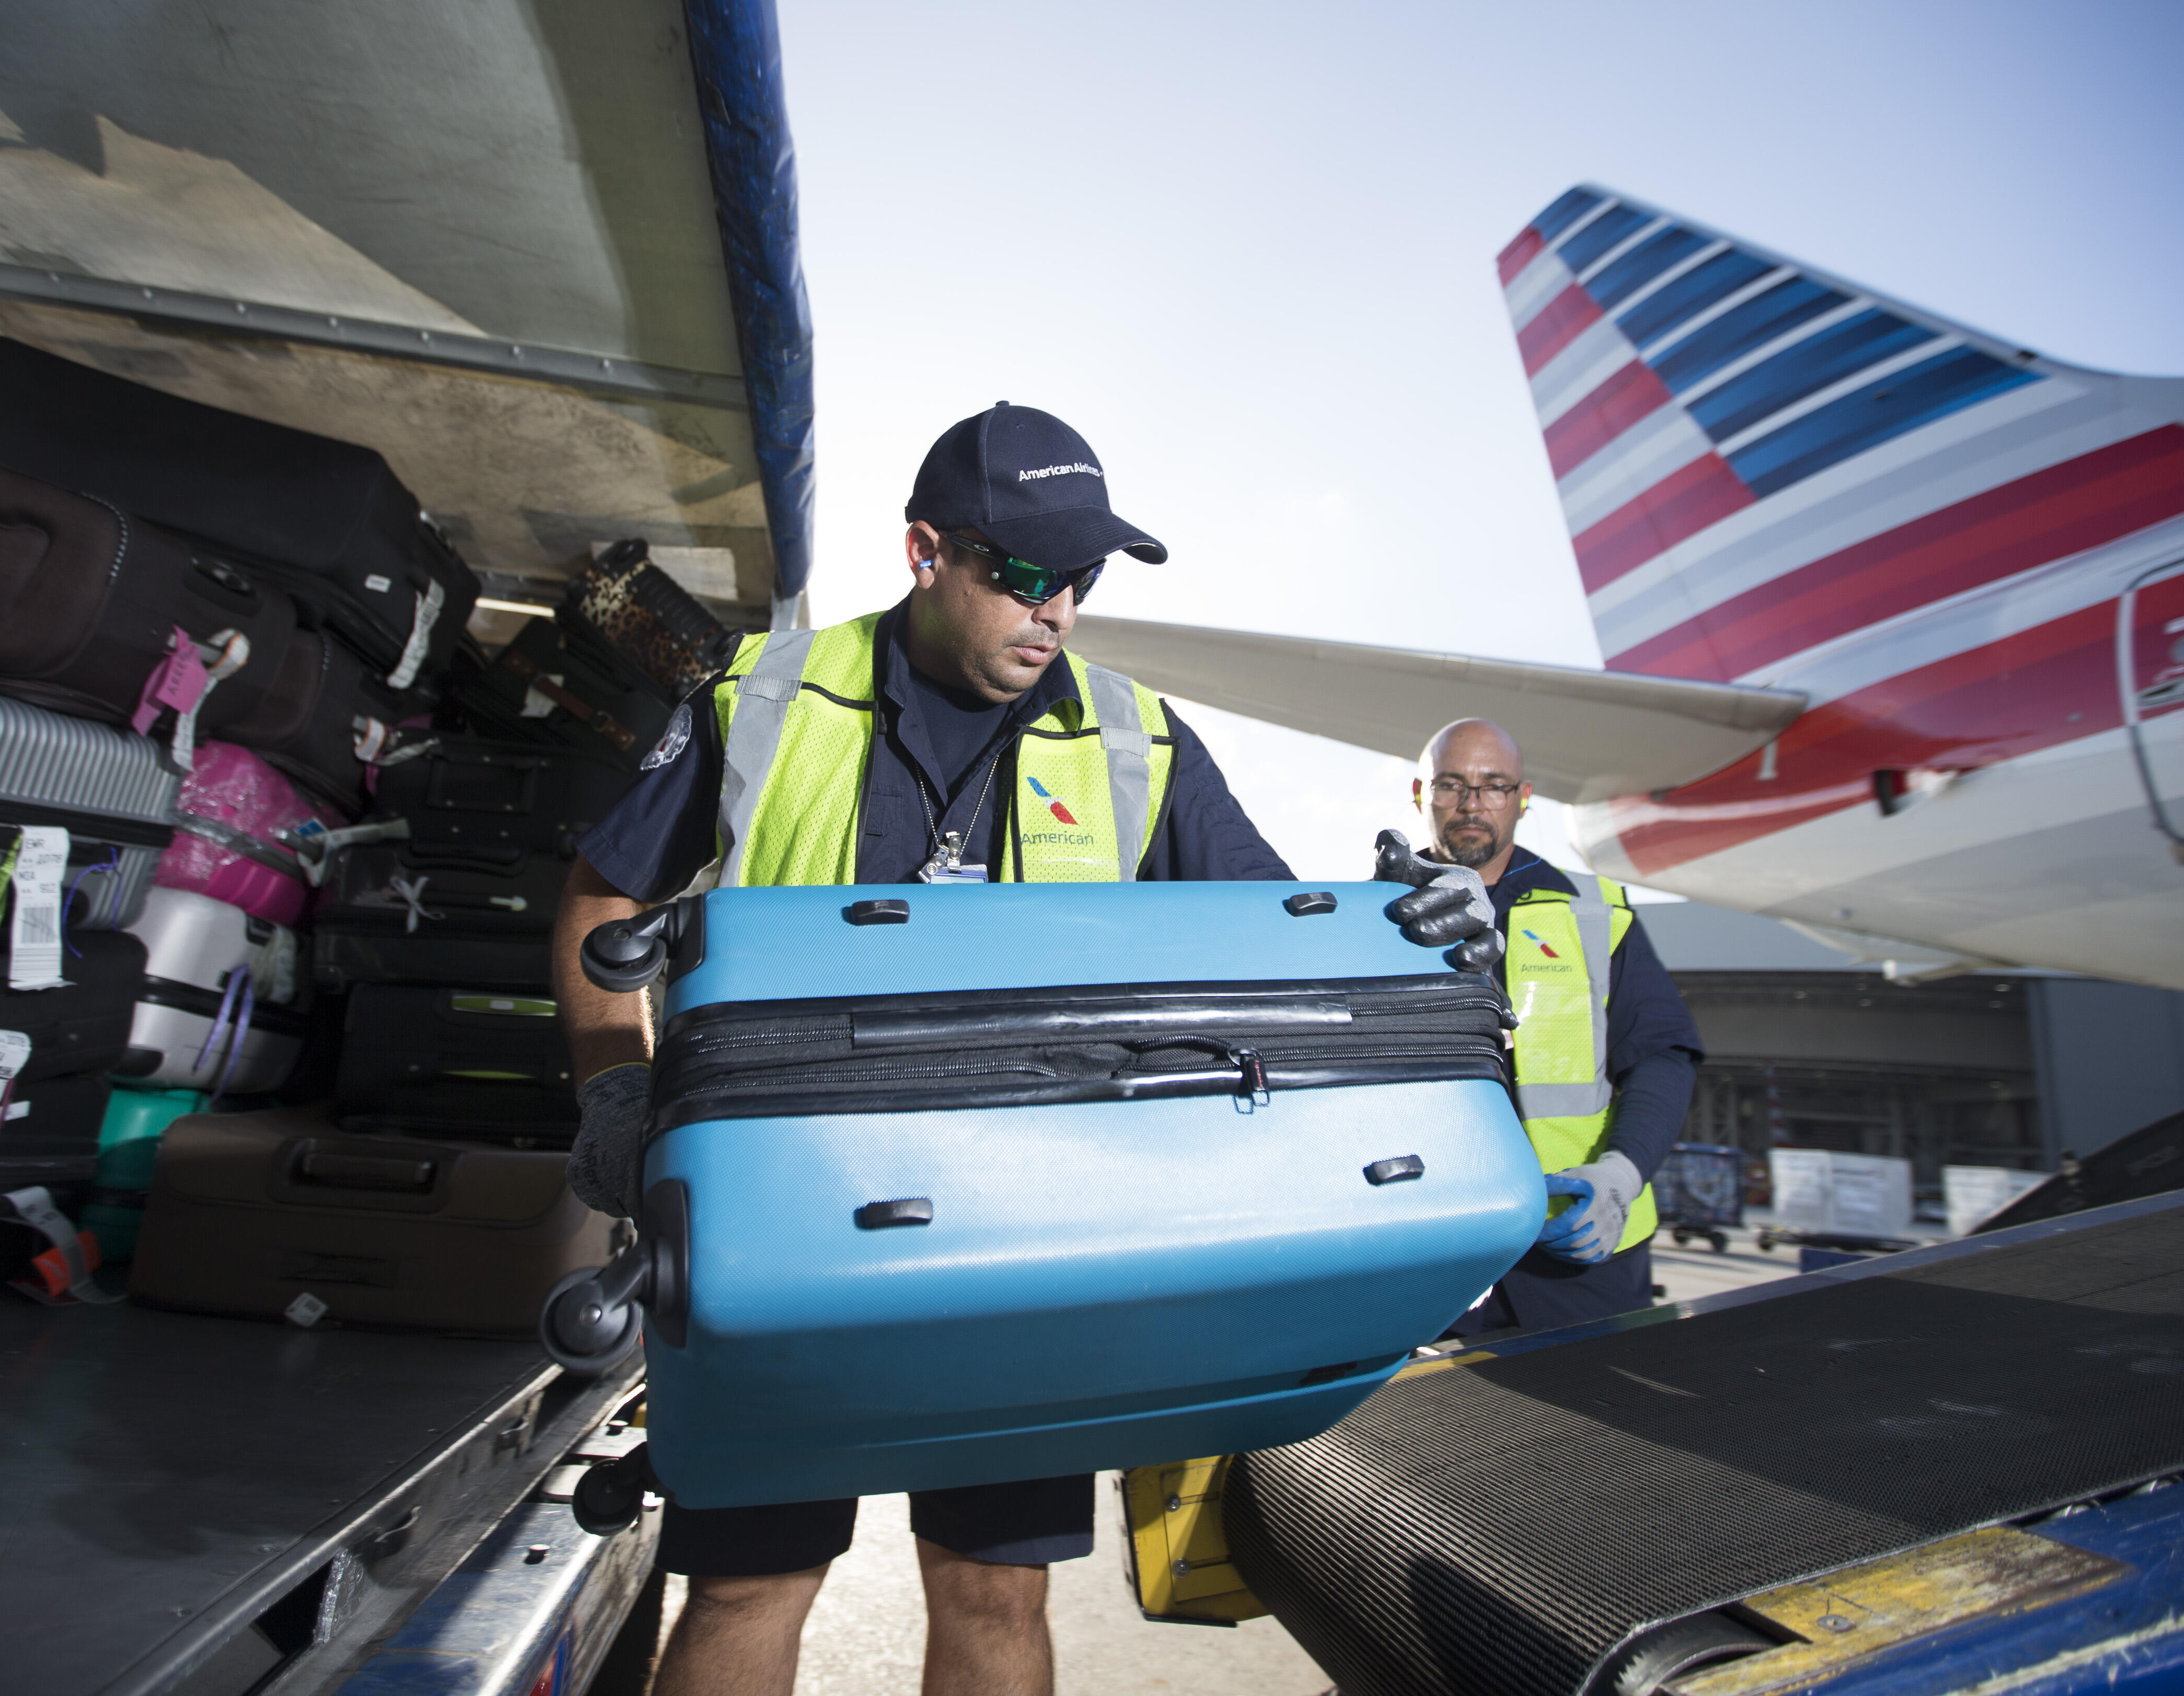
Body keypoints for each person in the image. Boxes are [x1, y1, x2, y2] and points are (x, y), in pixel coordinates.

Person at [552, 402, 1293, 1696]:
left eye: (1082, 577)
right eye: (1019, 572)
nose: (1055, 606)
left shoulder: (1139, 741)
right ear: (923, 551)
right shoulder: (768, 698)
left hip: (1027, 1235)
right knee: (746, 1582)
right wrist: (616, 1089)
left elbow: (1274, 939)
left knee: (997, 1585)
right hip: (783, 1228)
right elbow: (599, 898)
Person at [1391, 717, 1703, 1334]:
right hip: (1427, 1254)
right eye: (1452, 784)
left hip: (1577, 1247)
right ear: (1420, 794)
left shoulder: (1595, 915)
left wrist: (1623, 1174)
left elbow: (1662, 1056)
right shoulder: (1362, 917)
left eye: (1494, 786)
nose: (1472, 804)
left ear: (1523, 799)